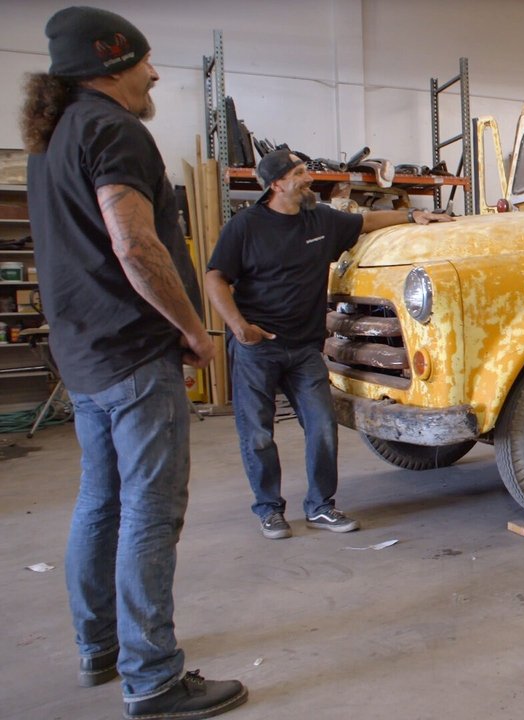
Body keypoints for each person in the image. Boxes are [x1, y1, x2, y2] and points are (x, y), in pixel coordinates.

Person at [21, 6, 247, 719]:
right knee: (151, 511)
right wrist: (194, 329)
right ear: (112, 62)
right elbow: (135, 245)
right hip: (132, 352)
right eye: (144, 60)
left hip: (84, 353)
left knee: (101, 501)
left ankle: (101, 649)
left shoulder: (53, 137)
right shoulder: (114, 129)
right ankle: (152, 677)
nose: (153, 73)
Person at [206, 150, 452, 540]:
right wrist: (239, 327)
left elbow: (366, 221)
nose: (309, 179)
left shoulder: (319, 219)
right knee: (257, 434)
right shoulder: (245, 227)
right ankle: (269, 509)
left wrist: (413, 215)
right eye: (300, 173)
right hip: (258, 349)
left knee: (322, 427)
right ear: (277, 184)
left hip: (305, 348)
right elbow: (215, 278)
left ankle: (320, 507)